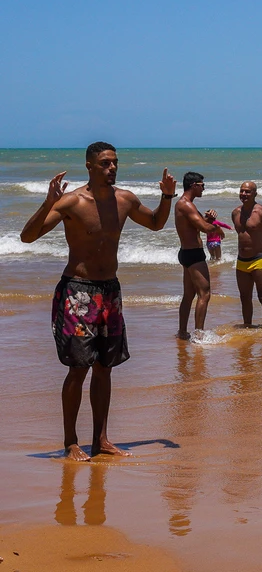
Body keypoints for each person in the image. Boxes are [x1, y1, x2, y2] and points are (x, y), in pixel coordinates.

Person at [19, 142, 176, 462]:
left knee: (105, 367)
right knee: (78, 369)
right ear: (89, 166)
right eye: (105, 164)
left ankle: (101, 439)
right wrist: (47, 202)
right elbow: (28, 236)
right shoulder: (72, 201)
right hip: (78, 292)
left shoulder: (125, 199)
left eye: (115, 163)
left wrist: (167, 197)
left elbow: (157, 223)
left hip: (110, 292)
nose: (112, 168)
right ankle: (70, 442)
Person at [174, 172, 223, 339]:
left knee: (189, 295)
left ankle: (182, 332)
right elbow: (205, 228)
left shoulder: (185, 204)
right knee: (205, 293)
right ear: (194, 185)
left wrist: (208, 220)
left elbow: (198, 226)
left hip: (187, 253)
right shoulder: (186, 204)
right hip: (194, 254)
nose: (204, 188)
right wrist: (215, 225)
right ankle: (199, 335)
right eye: (202, 185)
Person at [231, 181, 262, 328]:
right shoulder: (235, 213)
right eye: (242, 191)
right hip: (241, 261)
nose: (244, 194)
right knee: (244, 298)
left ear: (255, 194)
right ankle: (247, 327)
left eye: (247, 192)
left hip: (259, 260)